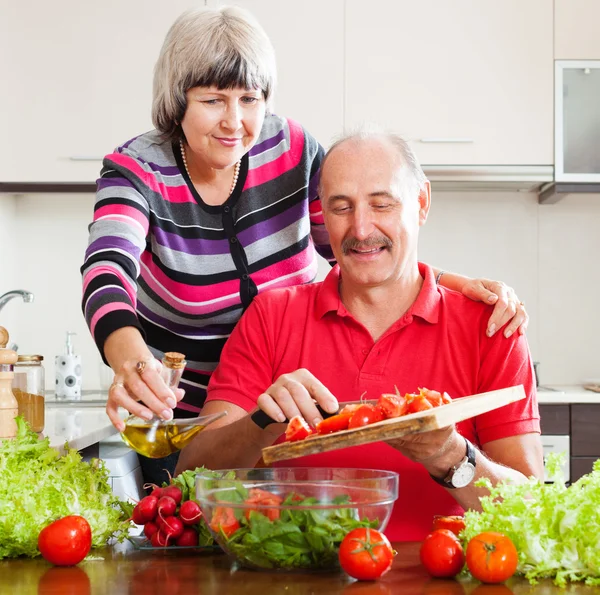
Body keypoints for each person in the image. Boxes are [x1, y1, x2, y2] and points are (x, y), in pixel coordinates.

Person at [81, 6, 528, 485]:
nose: (235, 122)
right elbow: (107, 269)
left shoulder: (291, 150)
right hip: (184, 413)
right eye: (213, 100)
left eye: (250, 99)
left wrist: (450, 286)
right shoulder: (138, 171)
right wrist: (132, 363)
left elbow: (358, 244)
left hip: (293, 395)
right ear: (177, 100)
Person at [176, 130, 544, 541]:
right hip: (299, 578)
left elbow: (531, 510)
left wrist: (450, 456)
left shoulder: (492, 326)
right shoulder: (271, 317)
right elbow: (190, 478)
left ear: (421, 203)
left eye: (381, 204)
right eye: (341, 207)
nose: (362, 228)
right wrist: (262, 423)